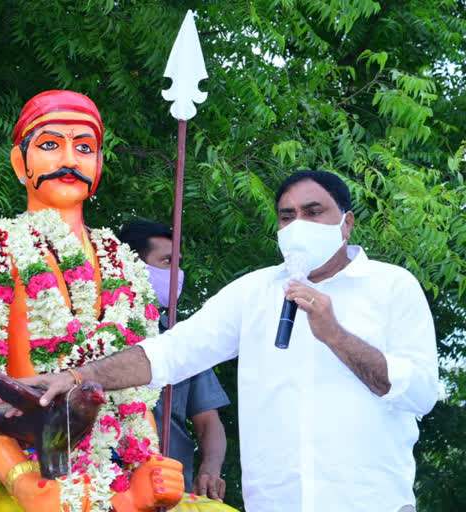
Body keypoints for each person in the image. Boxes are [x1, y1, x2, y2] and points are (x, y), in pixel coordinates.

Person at [22, 170, 439, 512]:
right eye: (288, 216)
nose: (299, 226)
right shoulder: (255, 291)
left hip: (369, 501)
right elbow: (172, 352)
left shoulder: (392, 287)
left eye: (314, 213)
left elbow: (419, 393)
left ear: (345, 223)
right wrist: (79, 375)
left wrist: (335, 335)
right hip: (276, 503)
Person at [0, 90, 187, 512]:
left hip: (117, 475)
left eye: (84, 148)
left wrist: (149, 469)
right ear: (20, 163)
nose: (69, 160)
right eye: (50, 145)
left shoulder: (123, 265)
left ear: (97, 167)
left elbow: (134, 392)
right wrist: (23, 483)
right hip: (30, 472)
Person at [119, 220, 230, 501]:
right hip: (98, 489)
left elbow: (208, 421)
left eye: (178, 263)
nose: (176, 274)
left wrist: (210, 470)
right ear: (131, 265)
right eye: (167, 261)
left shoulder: (179, 338)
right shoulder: (87, 329)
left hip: (170, 490)